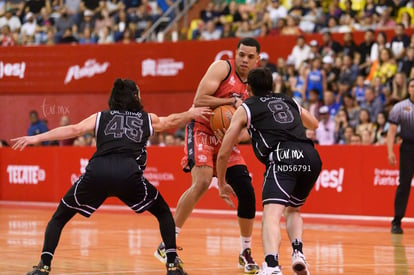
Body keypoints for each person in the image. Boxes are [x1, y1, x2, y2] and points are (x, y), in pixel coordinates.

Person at [12, 78, 212, 275]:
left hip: (98, 171)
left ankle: (43, 267)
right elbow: (171, 121)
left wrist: (36, 137)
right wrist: (191, 113)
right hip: (128, 173)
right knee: (163, 213)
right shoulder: (146, 118)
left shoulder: (101, 116)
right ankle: (172, 265)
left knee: (59, 218)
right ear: (134, 96)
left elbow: (74, 129)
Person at [154, 37, 261, 274]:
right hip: (201, 128)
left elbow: (248, 128)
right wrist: (229, 101)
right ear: (236, 53)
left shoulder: (253, 85)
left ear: (257, 59)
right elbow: (199, 100)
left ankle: (245, 252)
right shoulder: (223, 67)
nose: (244, 59)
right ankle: (167, 244)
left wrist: (236, 133)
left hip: (225, 137)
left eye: (249, 56)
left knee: (246, 191)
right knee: (202, 182)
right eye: (241, 54)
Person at [216, 67, 322, 275]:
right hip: (311, 156)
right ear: (271, 85)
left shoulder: (248, 106)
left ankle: (272, 265)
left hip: (283, 155)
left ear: (248, 88)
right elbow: (314, 124)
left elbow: (224, 151)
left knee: (271, 215)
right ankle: (298, 253)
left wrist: (221, 181)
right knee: (293, 210)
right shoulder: (287, 99)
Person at [387, 78, 414, 234]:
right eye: (411, 85)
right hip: (408, 149)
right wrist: (390, 152)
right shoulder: (400, 107)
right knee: (404, 185)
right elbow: (391, 132)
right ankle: (396, 221)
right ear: (408, 88)